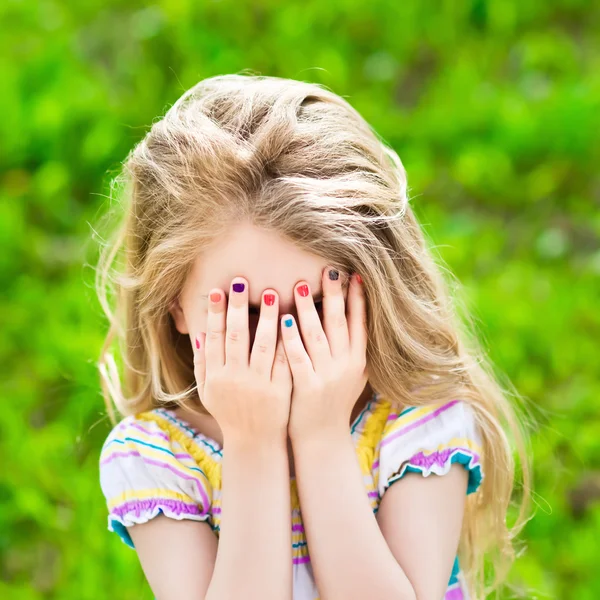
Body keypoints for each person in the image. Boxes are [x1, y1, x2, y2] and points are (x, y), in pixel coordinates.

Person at [96, 73, 532, 600]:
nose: (284, 343)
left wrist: (322, 436)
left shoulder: (418, 420)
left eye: (317, 305)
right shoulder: (157, 459)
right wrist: (252, 444)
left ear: (373, 291)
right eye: (245, 310)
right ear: (174, 306)